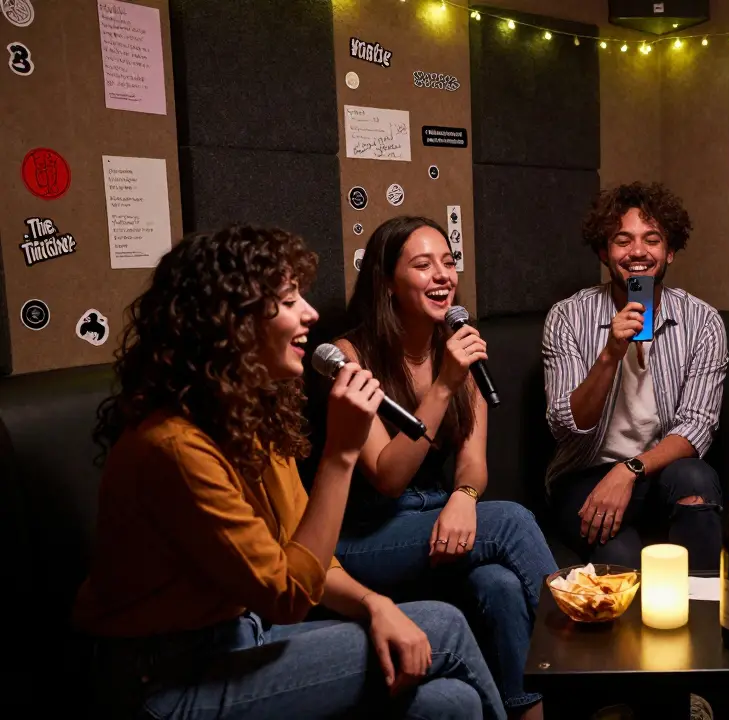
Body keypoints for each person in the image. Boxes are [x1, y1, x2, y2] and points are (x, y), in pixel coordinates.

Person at [75, 225, 504, 719]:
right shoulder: (174, 446)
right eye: (287, 300)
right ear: (231, 323)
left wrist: (374, 605)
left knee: (451, 703)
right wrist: (341, 454)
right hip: (165, 678)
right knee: (444, 625)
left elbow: (311, 554)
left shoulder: (249, 416)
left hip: (245, 636)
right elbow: (289, 596)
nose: (311, 313)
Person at [333, 215, 558, 719]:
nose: (443, 275)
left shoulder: (461, 350)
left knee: (499, 586)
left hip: (435, 513)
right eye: (423, 265)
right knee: (515, 521)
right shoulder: (353, 355)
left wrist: (465, 497)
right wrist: (442, 387)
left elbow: (473, 463)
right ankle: (588, 652)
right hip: (365, 535)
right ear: (388, 282)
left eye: (448, 262)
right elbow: (387, 477)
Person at [543, 181, 728, 573]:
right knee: (623, 561)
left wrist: (629, 470)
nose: (639, 252)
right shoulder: (566, 318)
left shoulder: (703, 322)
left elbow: (697, 427)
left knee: (696, 478)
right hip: (585, 475)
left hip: (657, 472)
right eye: (623, 240)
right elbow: (566, 425)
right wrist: (611, 351)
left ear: (670, 251)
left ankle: (707, 622)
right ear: (603, 251)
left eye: (652, 240)